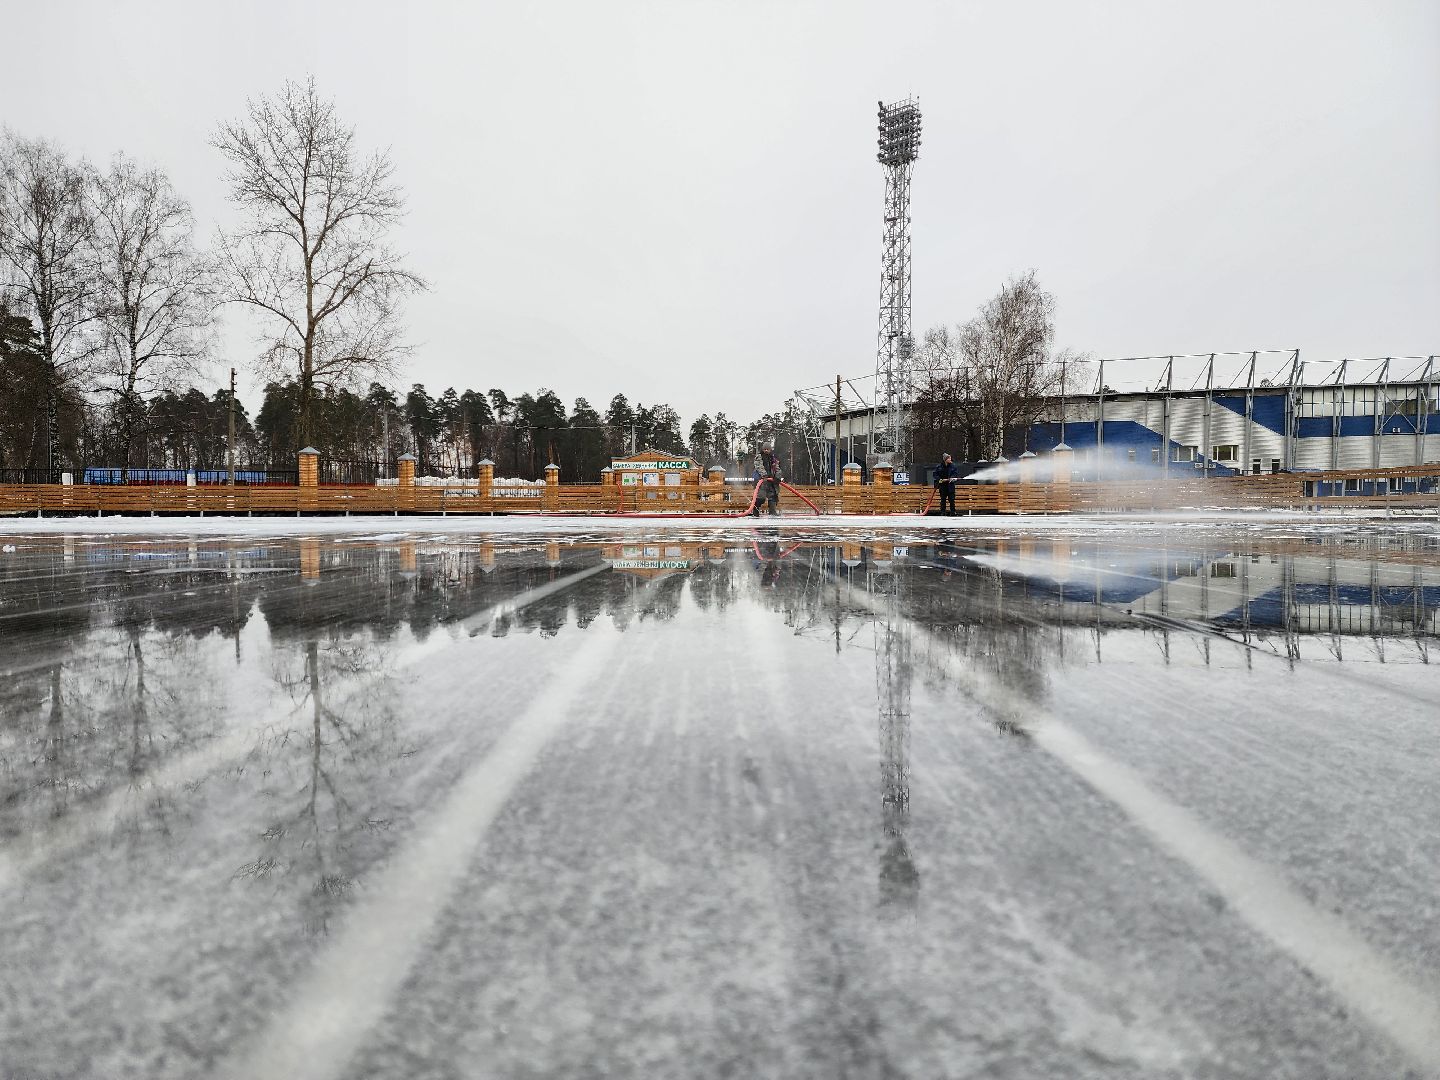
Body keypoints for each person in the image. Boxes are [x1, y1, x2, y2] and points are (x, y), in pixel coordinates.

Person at [752, 441, 782, 516]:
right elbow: (759, 466)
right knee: (760, 497)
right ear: (762, 449)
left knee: (773, 496)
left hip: (771, 481)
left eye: (767, 449)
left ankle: (772, 512)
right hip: (761, 480)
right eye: (764, 449)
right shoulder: (759, 457)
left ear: (770, 450)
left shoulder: (773, 458)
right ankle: (755, 511)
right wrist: (764, 475)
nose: (766, 450)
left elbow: (777, 468)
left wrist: (777, 477)